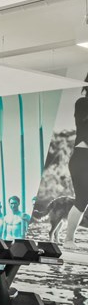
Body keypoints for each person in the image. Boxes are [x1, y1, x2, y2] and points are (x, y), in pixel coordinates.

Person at [64, 84, 88, 250]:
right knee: (82, 200)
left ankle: (69, 240)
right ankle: (68, 240)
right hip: (82, 158)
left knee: (83, 200)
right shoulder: (82, 103)